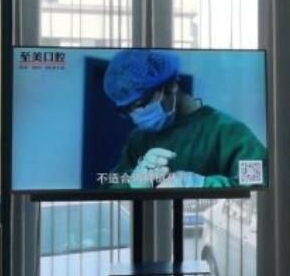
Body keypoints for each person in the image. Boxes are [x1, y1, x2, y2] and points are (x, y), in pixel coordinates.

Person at [102, 49, 267, 189]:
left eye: (140, 104)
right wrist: (132, 182)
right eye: (127, 109)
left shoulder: (229, 132)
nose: (135, 114)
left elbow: (258, 185)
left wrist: (201, 185)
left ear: (171, 85)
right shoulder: (139, 139)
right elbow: (108, 188)